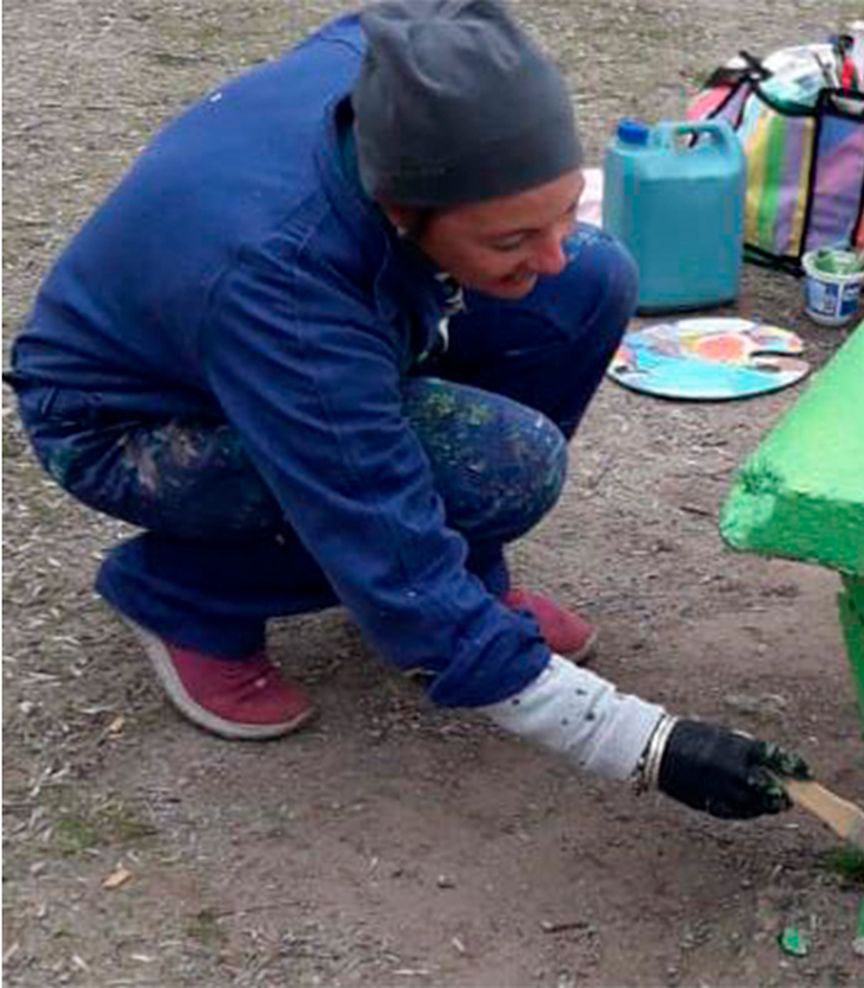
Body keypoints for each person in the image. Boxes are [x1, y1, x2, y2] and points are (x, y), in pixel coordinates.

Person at [6, 0, 808, 820]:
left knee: (588, 283)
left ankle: (465, 573)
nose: (549, 247)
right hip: (130, 421)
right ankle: (186, 596)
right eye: (508, 239)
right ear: (399, 210)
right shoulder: (285, 291)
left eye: (563, 208)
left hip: (289, 338)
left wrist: (517, 243)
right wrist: (649, 744)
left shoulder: (404, 69)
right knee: (501, 469)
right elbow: (376, 517)